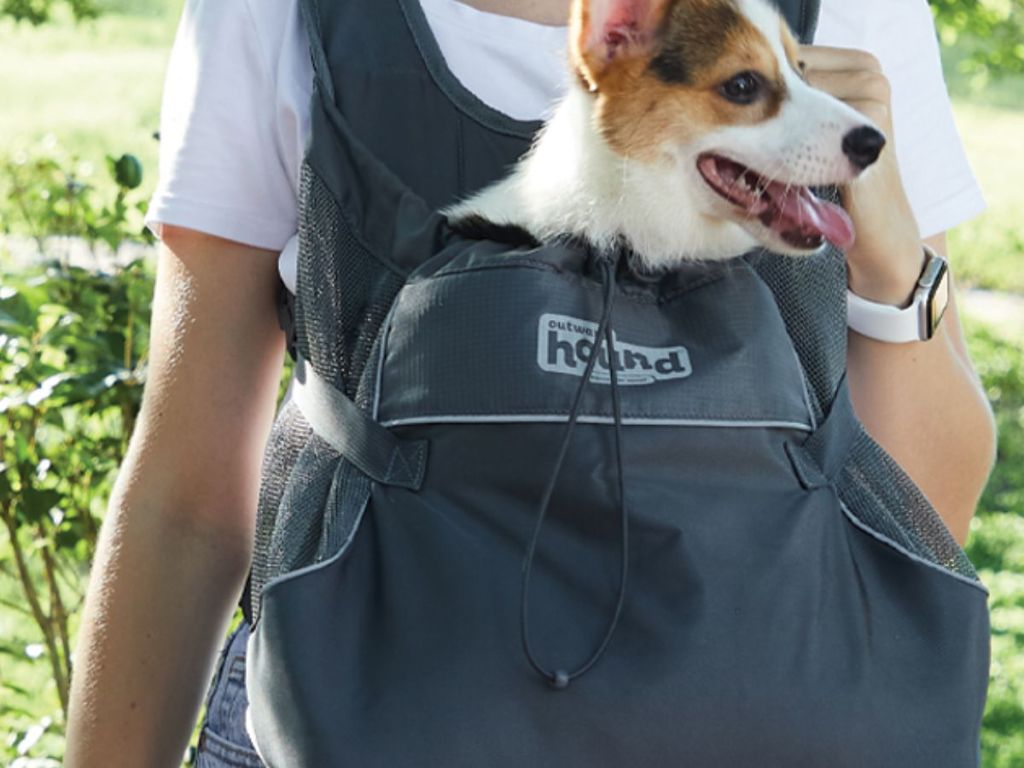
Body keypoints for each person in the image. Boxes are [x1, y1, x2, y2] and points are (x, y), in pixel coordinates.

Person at [64, 0, 997, 765]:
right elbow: (187, 498)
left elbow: (919, 519)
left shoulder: (853, 16)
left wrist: (889, 267)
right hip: (344, 722)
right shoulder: (279, 14)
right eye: (749, 88)